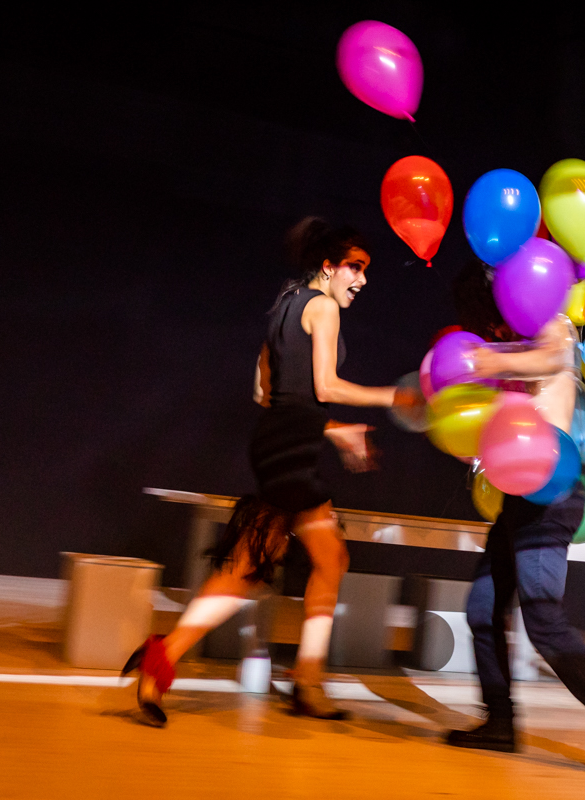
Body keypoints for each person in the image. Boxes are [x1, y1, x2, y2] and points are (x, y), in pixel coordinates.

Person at [124, 217, 419, 724]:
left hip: (282, 446)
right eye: (355, 267)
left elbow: (266, 393)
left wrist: (332, 431)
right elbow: (323, 387)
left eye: (365, 270)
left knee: (321, 560)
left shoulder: (284, 305)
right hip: (290, 452)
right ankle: (170, 658)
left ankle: (304, 679)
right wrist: (395, 397)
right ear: (328, 267)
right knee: (253, 571)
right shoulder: (324, 307)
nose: (362, 280)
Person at [443, 259, 585, 780]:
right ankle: (499, 722)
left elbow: (552, 357)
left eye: (494, 316)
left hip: (553, 487)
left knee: (543, 618)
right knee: (481, 608)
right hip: (522, 494)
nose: (494, 328)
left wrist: (487, 361)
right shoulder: (510, 341)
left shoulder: (551, 322)